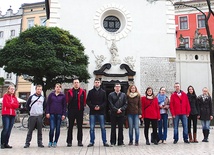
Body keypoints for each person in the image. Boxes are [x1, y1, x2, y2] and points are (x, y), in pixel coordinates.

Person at [86, 78, 110, 147]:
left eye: (98, 82)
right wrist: (93, 106)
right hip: (93, 112)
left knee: (103, 127)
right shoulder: (90, 92)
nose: (97, 83)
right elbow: (88, 101)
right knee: (92, 128)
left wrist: (100, 106)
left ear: (100, 83)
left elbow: (105, 102)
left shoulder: (103, 92)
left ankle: (105, 141)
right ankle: (91, 141)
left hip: (101, 112)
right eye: (96, 82)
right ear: (94, 83)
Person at [66, 78, 86, 147]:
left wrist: (82, 108)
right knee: (70, 126)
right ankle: (69, 141)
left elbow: (84, 101)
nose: (76, 83)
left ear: (79, 83)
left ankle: (80, 141)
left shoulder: (82, 91)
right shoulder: (69, 91)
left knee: (80, 126)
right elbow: (67, 100)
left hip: (79, 111)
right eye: (75, 82)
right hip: (71, 110)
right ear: (73, 83)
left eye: (77, 82)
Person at [46, 83, 66, 147]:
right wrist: (47, 112)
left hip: (59, 114)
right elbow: (48, 104)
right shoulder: (51, 95)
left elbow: (64, 106)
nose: (58, 88)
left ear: (61, 88)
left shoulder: (63, 96)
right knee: (52, 128)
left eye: (59, 87)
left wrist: (64, 114)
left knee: (57, 129)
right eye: (57, 87)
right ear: (55, 88)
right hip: (52, 114)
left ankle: (55, 141)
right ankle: (50, 141)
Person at [1, 85, 19, 149]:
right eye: (11, 89)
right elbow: (6, 104)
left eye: (13, 89)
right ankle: (2, 143)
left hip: (12, 115)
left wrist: (11, 104)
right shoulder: (5, 96)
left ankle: (6, 143)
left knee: (9, 130)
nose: (12, 90)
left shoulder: (15, 98)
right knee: (5, 128)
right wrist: (12, 104)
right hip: (6, 114)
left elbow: (17, 105)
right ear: (8, 89)